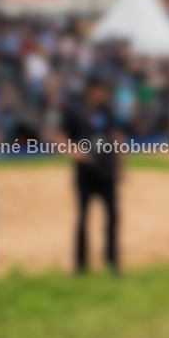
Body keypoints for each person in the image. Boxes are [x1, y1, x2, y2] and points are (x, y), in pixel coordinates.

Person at [61, 76, 122, 274]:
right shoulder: (74, 110)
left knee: (113, 216)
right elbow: (61, 136)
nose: (104, 94)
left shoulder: (107, 110)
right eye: (101, 90)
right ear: (91, 90)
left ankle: (113, 263)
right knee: (83, 218)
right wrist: (73, 151)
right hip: (85, 173)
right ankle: (80, 265)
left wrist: (121, 165)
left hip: (106, 171)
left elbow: (115, 136)